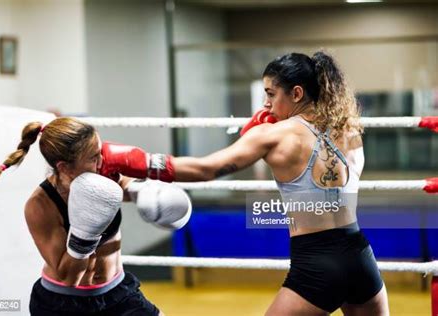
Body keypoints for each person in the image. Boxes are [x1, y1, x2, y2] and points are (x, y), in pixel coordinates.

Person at [98, 52, 389, 315]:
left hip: (318, 264)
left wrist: (136, 162)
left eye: (271, 94)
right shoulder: (348, 129)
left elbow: (205, 169)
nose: (266, 103)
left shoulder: (275, 135)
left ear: (297, 93)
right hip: (361, 257)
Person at [0, 117, 192, 316]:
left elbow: (131, 185)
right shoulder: (39, 206)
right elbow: (69, 278)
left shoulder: (104, 175)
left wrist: (147, 192)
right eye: (94, 157)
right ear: (65, 167)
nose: (103, 162)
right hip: (63, 303)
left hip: (116, 293)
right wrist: (85, 233)